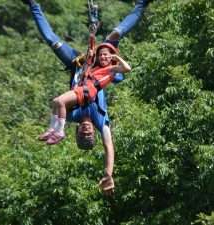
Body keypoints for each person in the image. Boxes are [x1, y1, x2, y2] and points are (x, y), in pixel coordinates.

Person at [22, 0, 152, 194]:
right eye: (89, 134)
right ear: (93, 132)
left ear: (77, 132)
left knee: (51, 39)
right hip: (100, 66)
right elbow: (108, 146)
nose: (86, 130)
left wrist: (55, 128)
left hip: (80, 65)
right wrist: (109, 174)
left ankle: (33, 4)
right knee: (116, 33)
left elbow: (59, 108)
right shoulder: (101, 121)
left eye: (82, 133)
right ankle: (143, 3)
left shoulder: (72, 116)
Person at [39, 43, 131, 145]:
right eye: (100, 55)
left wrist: (117, 58)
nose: (102, 57)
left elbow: (127, 68)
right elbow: (85, 70)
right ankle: (53, 129)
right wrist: (90, 55)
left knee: (61, 102)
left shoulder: (111, 69)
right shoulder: (96, 68)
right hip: (81, 88)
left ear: (111, 57)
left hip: (87, 92)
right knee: (55, 101)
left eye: (105, 55)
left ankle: (60, 132)